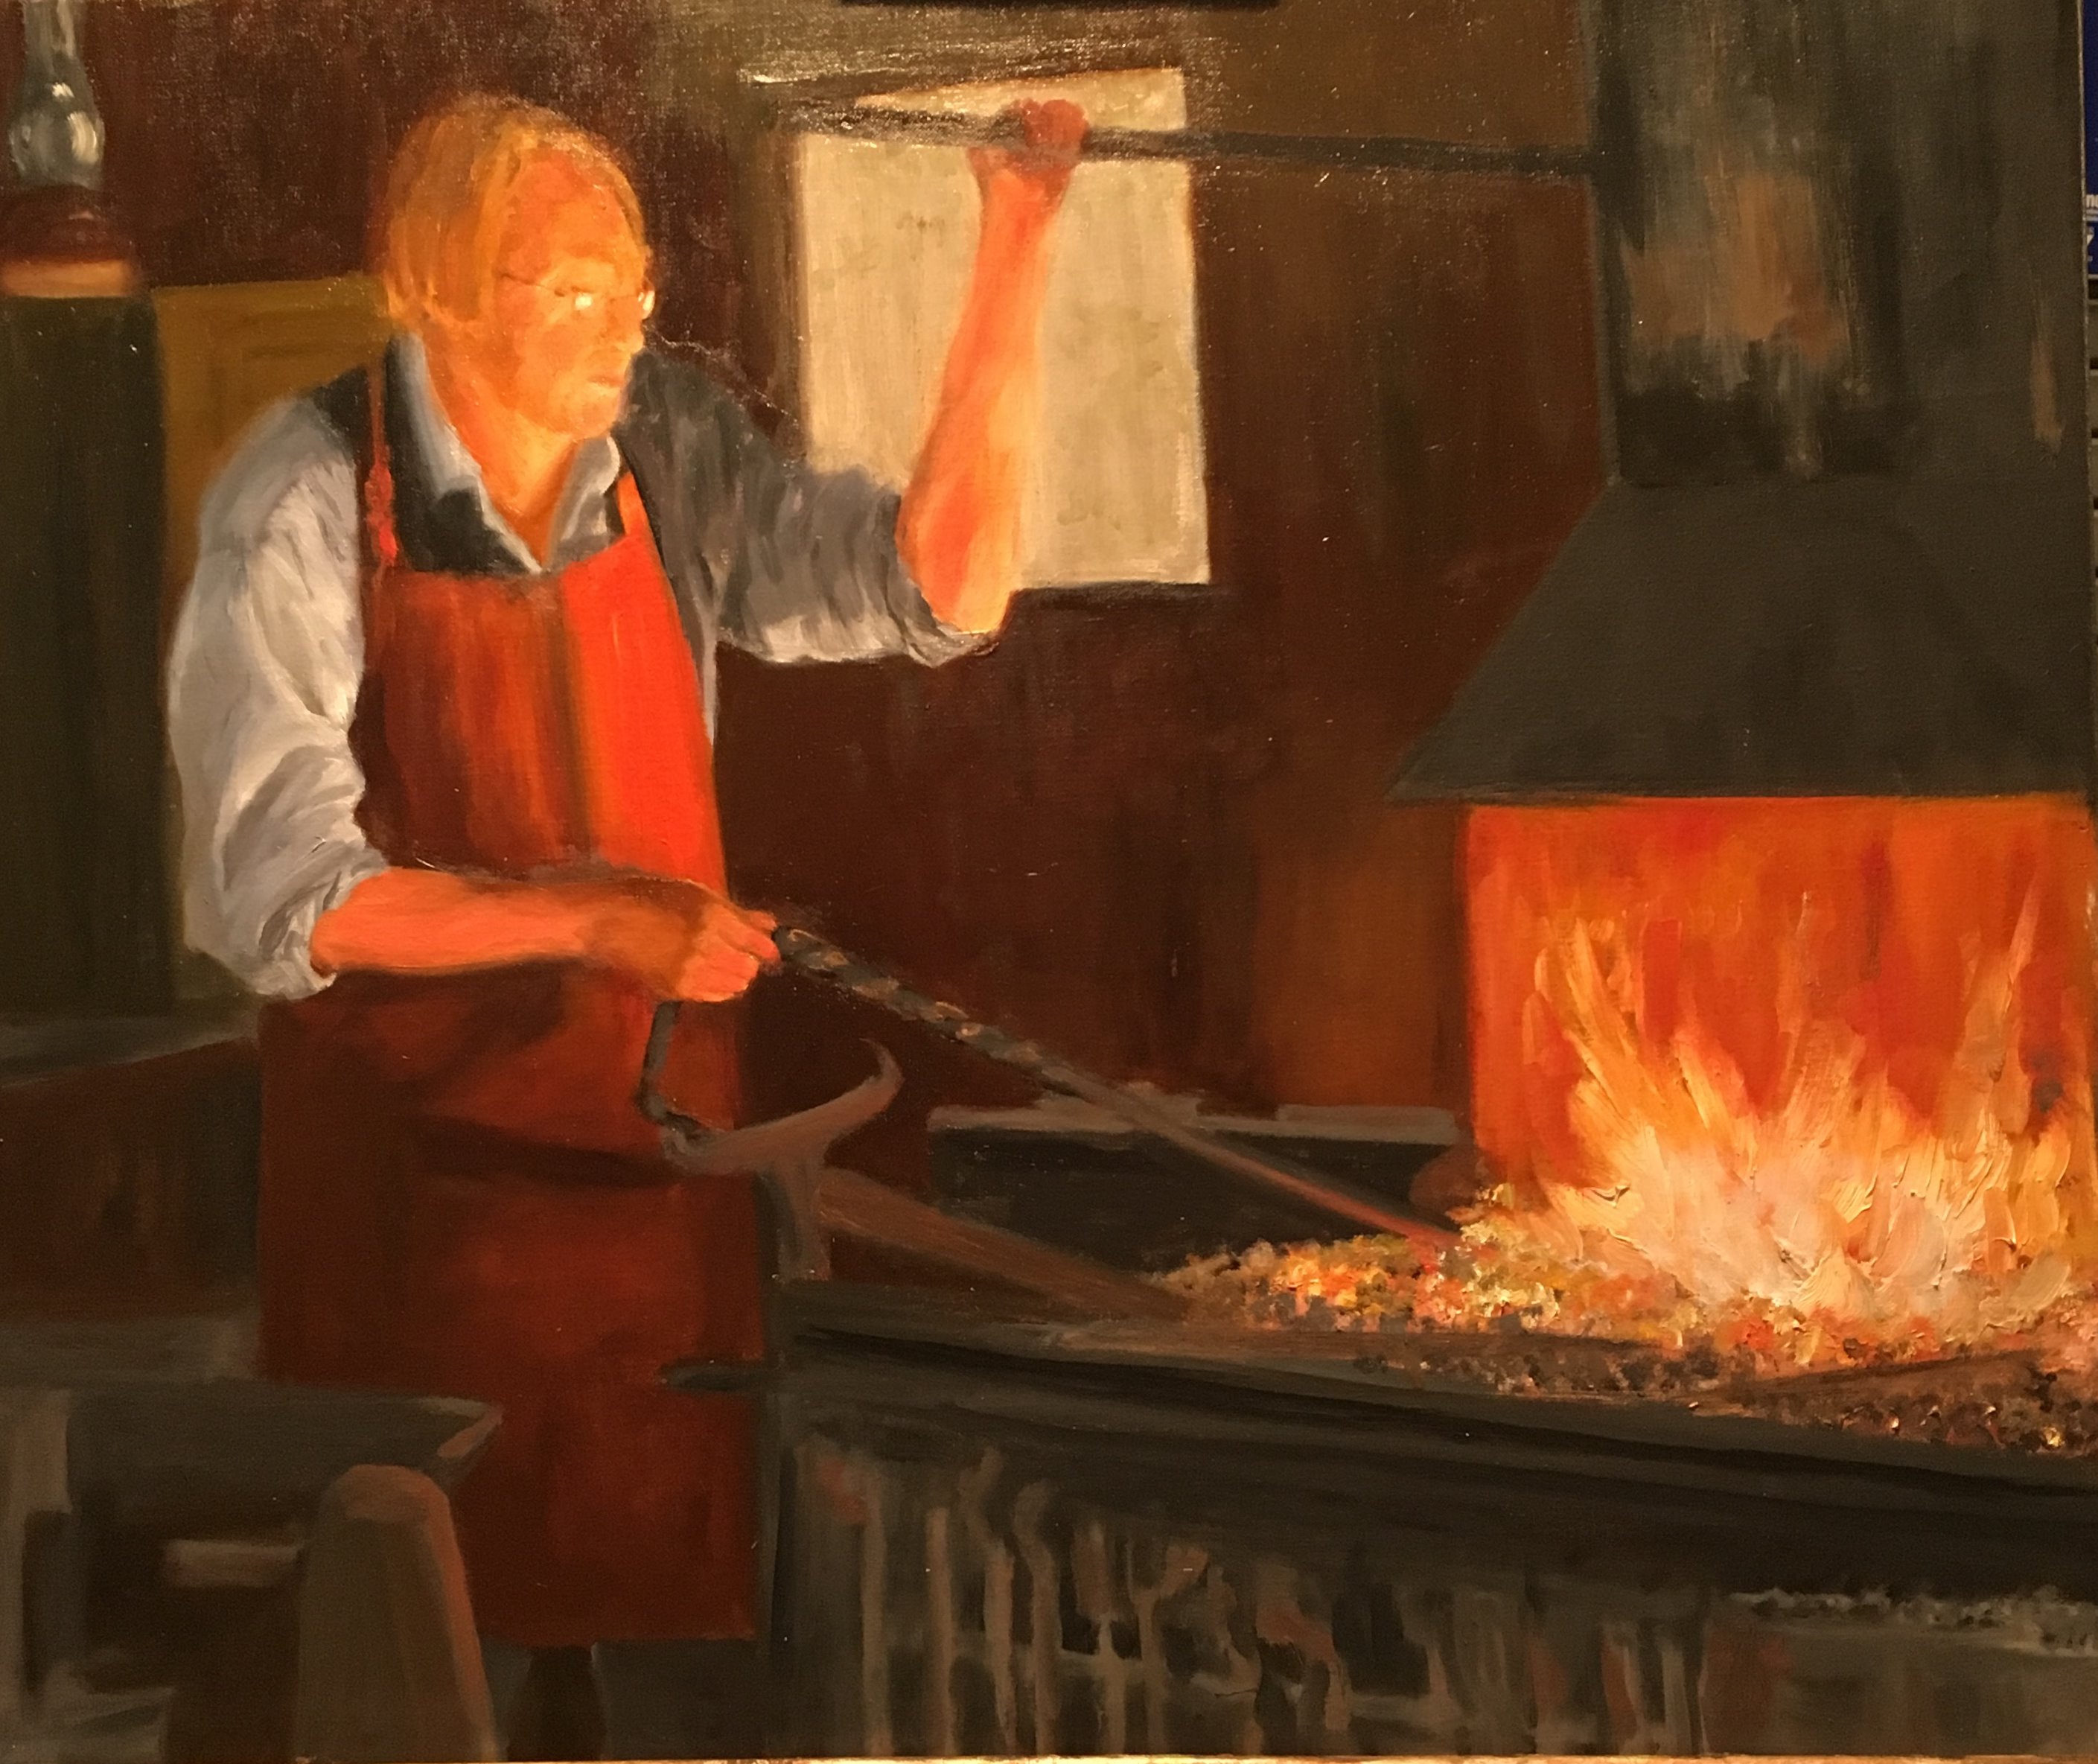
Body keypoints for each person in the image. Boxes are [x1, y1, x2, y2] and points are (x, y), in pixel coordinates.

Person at [166, 92, 1083, 1757]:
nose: (622, 331)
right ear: (434, 295)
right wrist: (589, 919)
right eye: (572, 293)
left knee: (658, 1677)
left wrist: (1017, 239)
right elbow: (277, 897)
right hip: (420, 1242)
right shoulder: (300, 498)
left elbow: (939, 586)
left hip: (658, 1219)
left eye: (634, 290)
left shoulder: (665, 445)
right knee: (422, 1668)